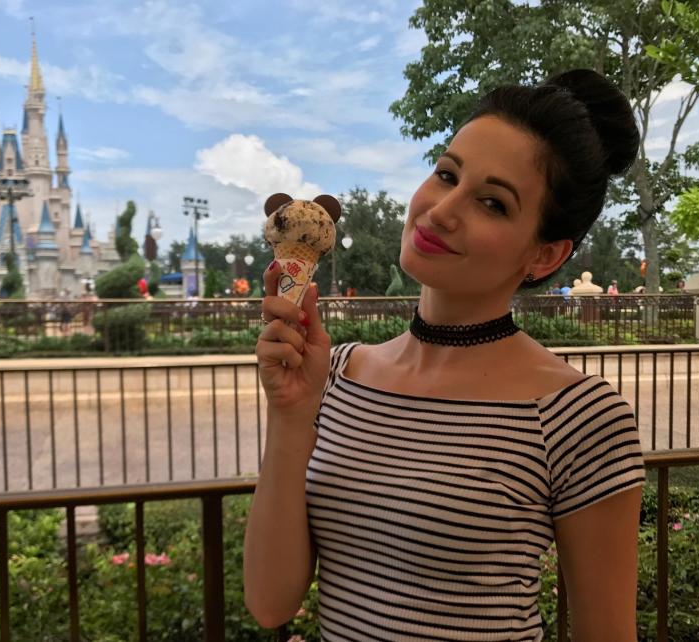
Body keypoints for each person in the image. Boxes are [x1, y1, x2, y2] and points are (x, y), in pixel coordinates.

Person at [245, 68, 646, 640]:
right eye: (445, 174)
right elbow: (269, 603)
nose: (440, 209)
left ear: (547, 254)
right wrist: (289, 416)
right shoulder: (334, 373)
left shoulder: (577, 415)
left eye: (491, 202)